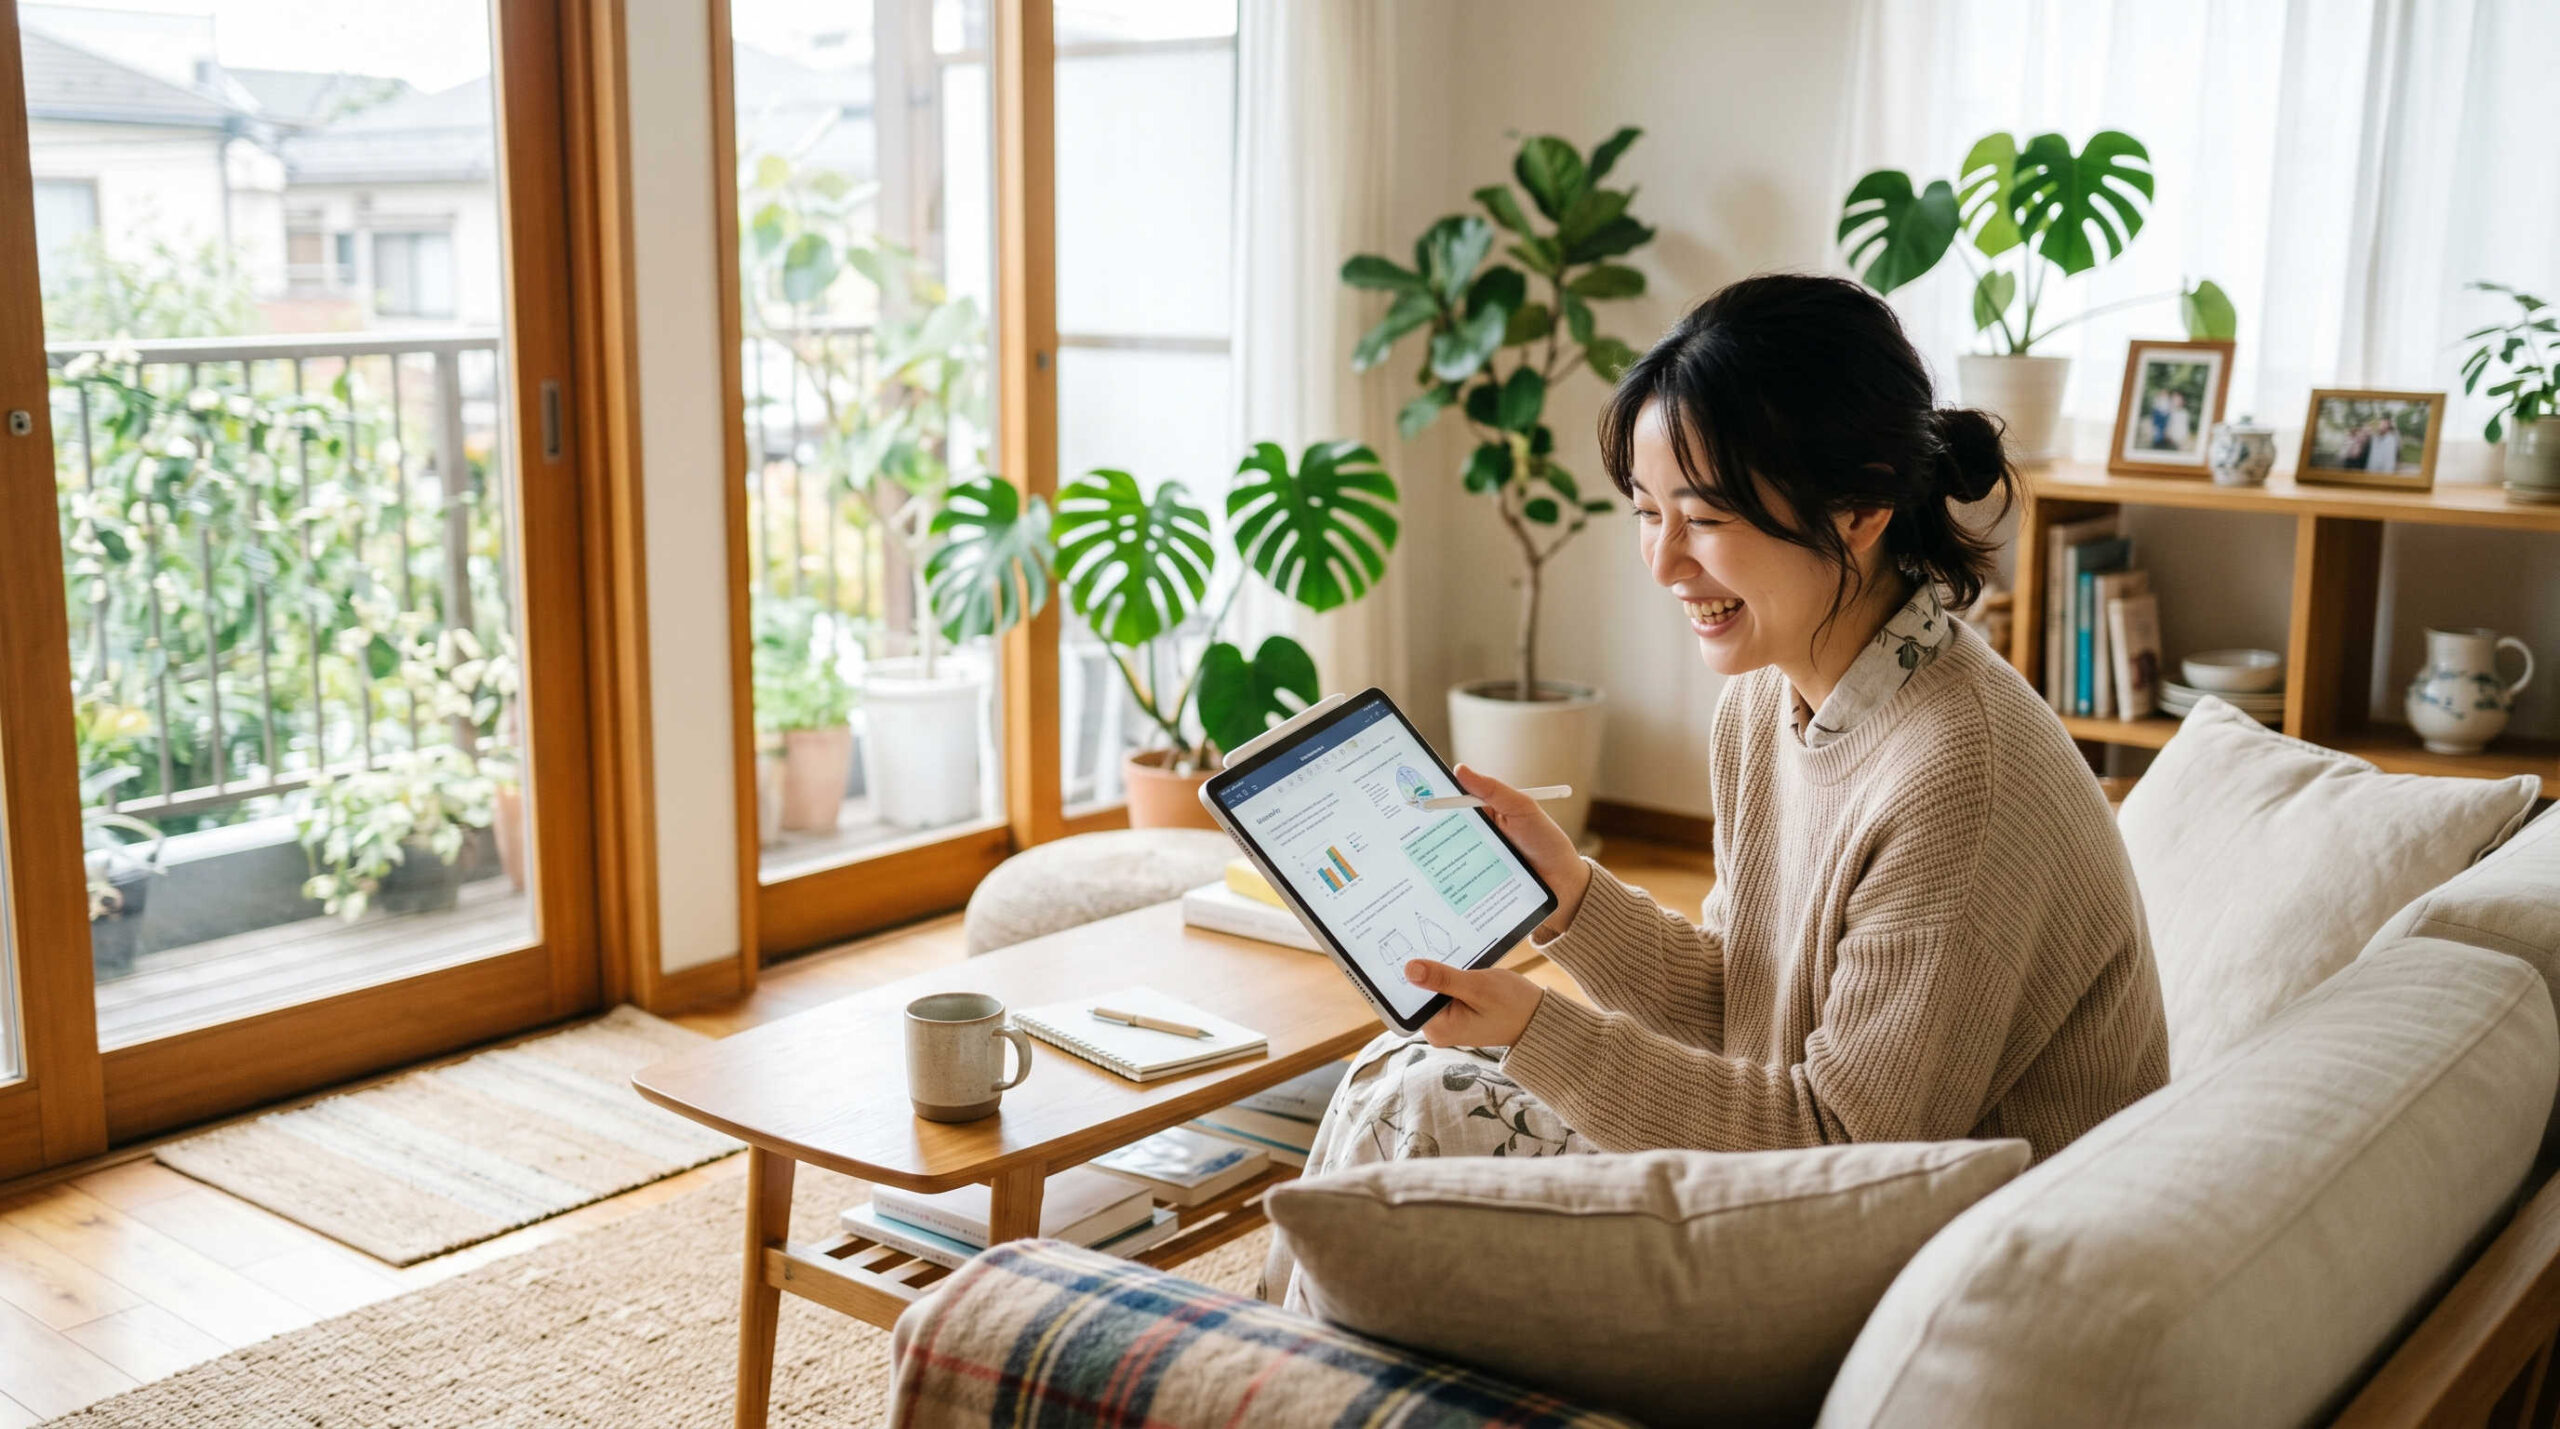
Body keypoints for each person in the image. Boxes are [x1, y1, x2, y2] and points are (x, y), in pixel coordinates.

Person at [1264, 273, 2170, 1306]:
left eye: (1701, 518)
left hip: (1942, 1270)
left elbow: (1841, 1149)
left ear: (1862, 504)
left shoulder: (1964, 773)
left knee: (1424, 1112)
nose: (1662, 562)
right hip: (1824, 1193)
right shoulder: (1769, 700)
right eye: (1646, 513)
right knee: (1402, 1075)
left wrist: (1534, 1028)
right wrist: (1575, 897)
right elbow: (1748, 1004)